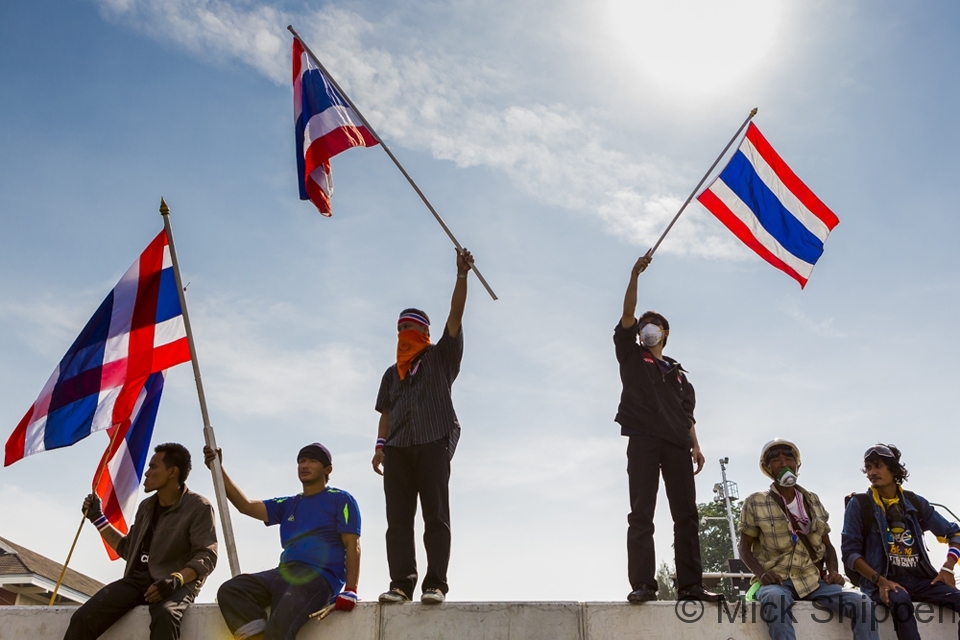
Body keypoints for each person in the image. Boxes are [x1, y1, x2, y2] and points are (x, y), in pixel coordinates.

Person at [614, 252, 718, 603]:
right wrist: (634, 276)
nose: (647, 327)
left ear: (665, 333)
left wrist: (696, 446)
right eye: (645, 324)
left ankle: (691, 585)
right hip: (643, 440)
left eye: (654, 324)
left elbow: (687, 415)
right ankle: (643, 584)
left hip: (676, 445)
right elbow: (627, 314)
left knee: (686, 515)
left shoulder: (679, 376)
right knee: (641, 513)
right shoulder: (631, 355)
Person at [371, 248, 473, 605]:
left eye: (410, 327)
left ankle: (435, 584)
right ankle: (401, 584)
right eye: (400, 328)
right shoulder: (391, 373)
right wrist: (380, 445)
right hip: (397, 449)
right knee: (398, 521)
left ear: (424, 332)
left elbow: (455, 317)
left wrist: (461, 276)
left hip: (433, 442)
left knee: (436, 518)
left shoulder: (440, 358)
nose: (404, 333)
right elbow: (385, 410)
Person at [208, 442, 361, 640]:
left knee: (280, 627)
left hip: (318, 577)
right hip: (285, 573)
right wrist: (218, 468)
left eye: (313, 461)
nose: (305, 465)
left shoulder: (341, 499)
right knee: (232, 589)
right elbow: (245, 506)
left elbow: (352, 545)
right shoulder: (289, 503)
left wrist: (350, 590)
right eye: (301, 461)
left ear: (328, 469)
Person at [64, 443, 218, 640]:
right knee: (83, 617)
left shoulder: (199, 507)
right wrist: (97, 518)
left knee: (166, 616)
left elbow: (207, 556)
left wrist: (176, 579)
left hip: (176, 584)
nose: (146, 473)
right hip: (137, 581)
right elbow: (129, 549)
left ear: (172, 472)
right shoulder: (146, 507)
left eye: (153, 467)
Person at [739, 439, 876, 640]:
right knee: (775, 599)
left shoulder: (812, 500)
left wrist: (833, 571)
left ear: (797, 465)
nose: (783, 463)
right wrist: (761, 573)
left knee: (862, 602)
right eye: (776, 460)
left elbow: (827, 546)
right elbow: (743, 546)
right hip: (777, 581)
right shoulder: (755, 501)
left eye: (789, 458)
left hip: (813, 580)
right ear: (768, 468)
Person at [841, 444, 960, 640]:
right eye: (869, 468)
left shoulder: (914, 502)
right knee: (901, 602)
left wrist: (948, 567)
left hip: (921, 580)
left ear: (893, 469)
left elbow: (954, 532)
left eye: (878, 466)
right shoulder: (860, 504)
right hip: (883, 579)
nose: (872, 472)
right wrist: (880, 581)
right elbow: (850, 554)